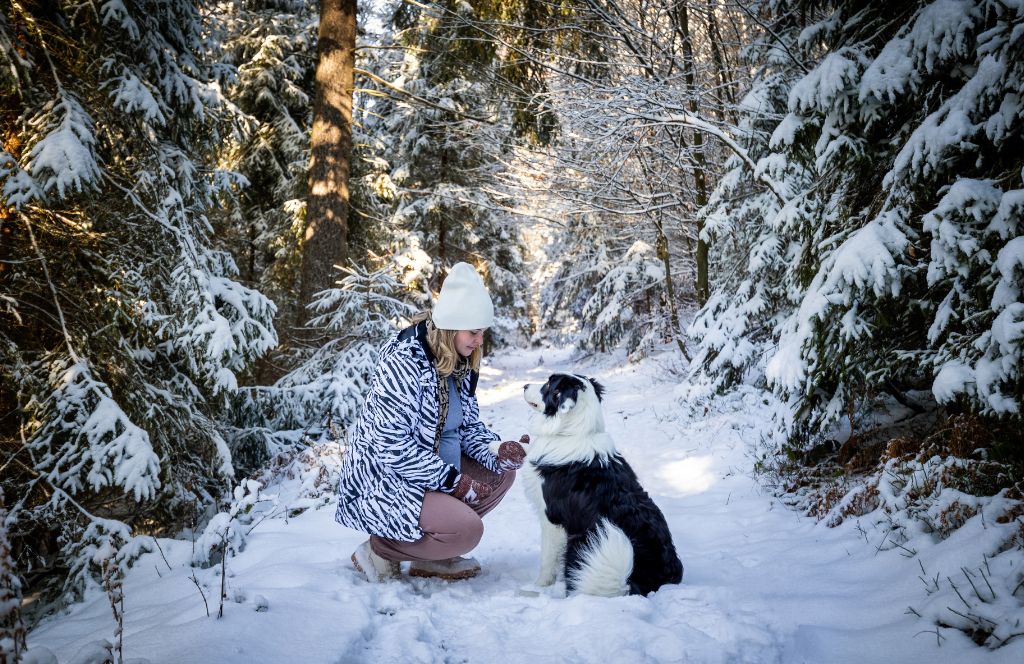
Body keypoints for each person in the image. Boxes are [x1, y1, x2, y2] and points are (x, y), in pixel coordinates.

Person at [335, 262, 528, 581]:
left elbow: (467, 429)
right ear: (452, 326)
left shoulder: (458, 364)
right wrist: (455, 483)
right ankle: (380, 549)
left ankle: (435, 556)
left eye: (483, 332)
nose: (480, 341)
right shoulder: (405, 364)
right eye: (474, 332)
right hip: (390, 482)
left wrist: (498, 450)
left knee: (501, 475)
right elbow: (391, 447)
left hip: (434, 475)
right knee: (468, 530)